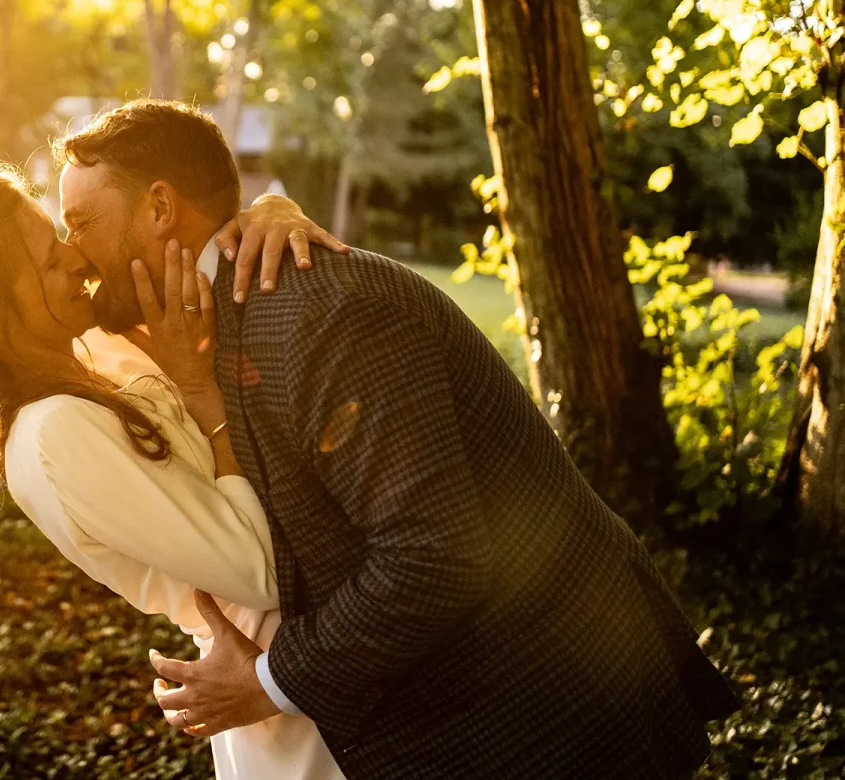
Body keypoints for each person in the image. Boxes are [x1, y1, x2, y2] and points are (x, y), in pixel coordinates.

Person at [51, 99, 740, 780]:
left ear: (161, 208)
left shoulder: (324, 313)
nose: (70, 250)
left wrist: (269, 682)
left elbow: (432, 556)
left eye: (82, 222)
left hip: (557, 702)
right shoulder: (213, 322)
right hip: (472, 706)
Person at [0, 161, 347, 779]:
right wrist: (199, 392)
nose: (77, 260)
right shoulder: (53, 435)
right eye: (50, 262)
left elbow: (195, 250)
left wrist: (268, 212)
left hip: (322, 647)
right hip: (282, 684)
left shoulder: (98, 352)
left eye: (62, 238)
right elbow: (260, 570)